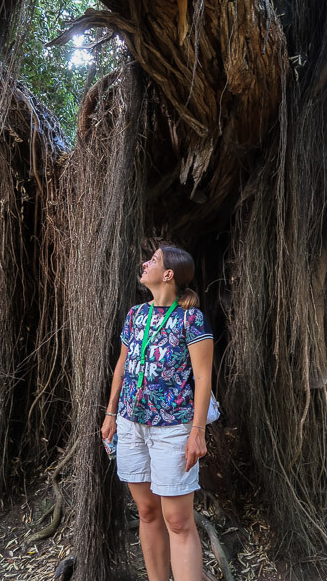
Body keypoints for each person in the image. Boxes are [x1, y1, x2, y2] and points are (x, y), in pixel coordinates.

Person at [101, 244, 214, 581]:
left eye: (153, 260)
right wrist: (110, 415)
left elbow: (203, 376)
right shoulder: (135, 315)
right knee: (148, 513)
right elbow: (121, 365)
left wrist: (198, 430)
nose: (145, 262)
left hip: (173, 429)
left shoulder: (190, 318)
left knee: (178, 522)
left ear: (168, 275)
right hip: (130, 424)